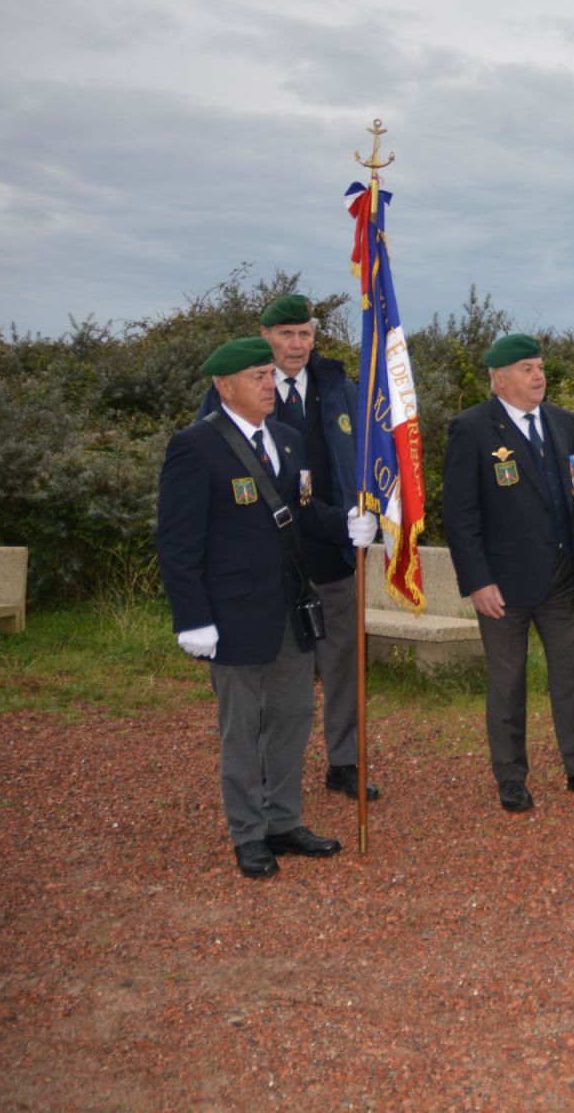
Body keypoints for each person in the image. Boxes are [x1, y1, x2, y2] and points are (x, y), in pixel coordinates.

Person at [158, 337, 374, 878]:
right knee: (243, 728)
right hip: (232, 615)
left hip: (291, 609)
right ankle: (248, 833)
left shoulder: (287, 440)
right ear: (224, 386)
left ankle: (283, 820)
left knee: (292, 719)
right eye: (257, 377)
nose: (269, 385)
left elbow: (303, 512)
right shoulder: (195, 446)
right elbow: (178, 543)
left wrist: (346, 523)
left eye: (269, 375)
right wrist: (193, 618)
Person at [443, 334, 574, 813]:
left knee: (571, 674)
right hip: (502, 585)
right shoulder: (472, 429)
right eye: (527, 368)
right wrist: (477, 581)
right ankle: (511, 777)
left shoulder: (565, 424)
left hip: (559, 577)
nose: (538, 376)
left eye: (541, 367)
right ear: (499, 378)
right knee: (508, 682)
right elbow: (460, 517)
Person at [198, 293, 374, 801]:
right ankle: (260, 772)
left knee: (343, 664)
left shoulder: (339, 386)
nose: (297, 345)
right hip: (267, 564)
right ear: (265, 336)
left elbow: (365, 456)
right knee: (265, 671)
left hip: (332, 550)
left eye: (305, 334)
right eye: (286, 334)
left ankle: (345, 760)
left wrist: (360, 518)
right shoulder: (231, 389)